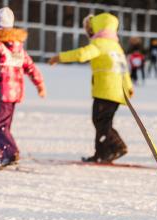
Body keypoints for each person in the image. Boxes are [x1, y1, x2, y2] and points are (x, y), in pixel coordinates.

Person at [48, 12, 133, 163]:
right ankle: (107, 151)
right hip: (117, 92)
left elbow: (82, 54)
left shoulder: (99, 44)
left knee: (101, 122)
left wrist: (60, 57)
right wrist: (128, 87)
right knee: (103, 122)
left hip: (105, 90)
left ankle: (113, 149)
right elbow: (123, 68)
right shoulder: (116, 46)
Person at [0, 7, 46, 169]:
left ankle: (11, 153)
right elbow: (31, 67)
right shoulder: (18, 49)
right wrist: (39, 84)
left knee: (0, 126)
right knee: (1, 125)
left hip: (0, 93)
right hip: (13, 94)